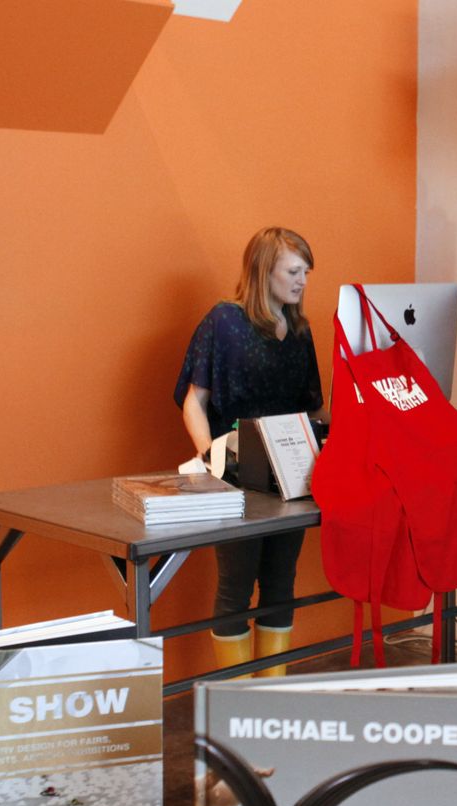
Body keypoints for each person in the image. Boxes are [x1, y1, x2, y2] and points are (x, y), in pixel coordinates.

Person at [174, 227, 325, 678]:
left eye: (306, 272)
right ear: (265, 271)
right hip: (236, 476)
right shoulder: (225, 321)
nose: (302, 281)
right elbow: (194, 401)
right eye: (293, 271)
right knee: (236, 586)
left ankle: (269, 695)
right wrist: (210, 459)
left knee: (281, 583)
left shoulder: (299, 330)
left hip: (290, 477)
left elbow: (315, 406)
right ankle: (236, 701)